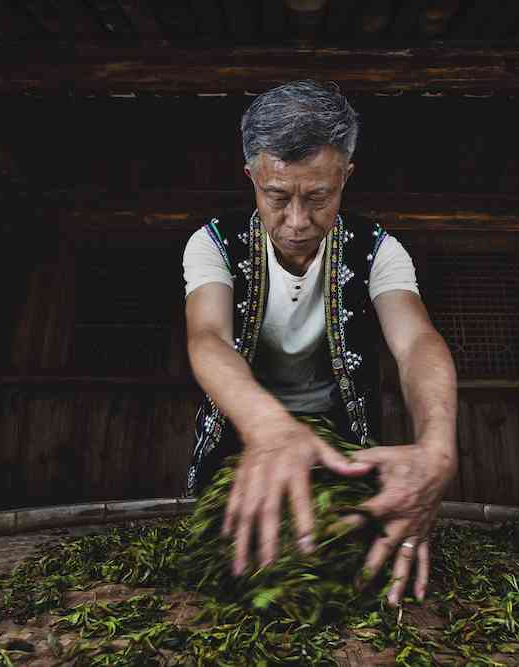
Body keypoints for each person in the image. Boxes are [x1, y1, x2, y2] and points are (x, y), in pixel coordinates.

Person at [181, 80, 458, 607]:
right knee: (234, 578)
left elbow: (417, 341)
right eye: (277, 197)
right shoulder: (212, 242)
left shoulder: (380, 250)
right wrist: (269, 428)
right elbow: (208, 337)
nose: (297, 221)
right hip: (244, 439)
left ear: (345, 178)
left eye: (318, 197)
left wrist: (438, 443)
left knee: (343, 573)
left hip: (342, 450)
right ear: (252, 177)